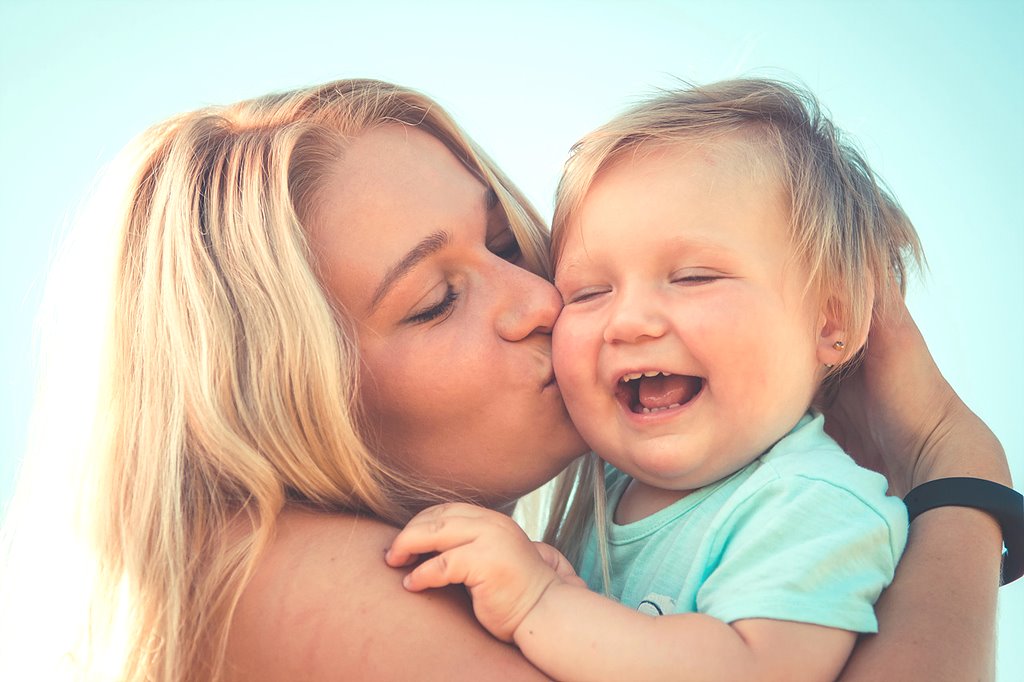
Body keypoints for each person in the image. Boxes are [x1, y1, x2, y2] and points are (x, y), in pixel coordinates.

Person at [0, 78, 1011, 682]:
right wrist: (959, 479)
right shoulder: (278, 571)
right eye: (435, 300)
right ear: (278, 397)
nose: (538, 299)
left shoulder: (650, 514)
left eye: (501, 241)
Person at [386, 79, 930, 682]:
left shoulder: (813, 500)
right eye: (589, 293)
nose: (629, 321)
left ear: (832, 321)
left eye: (694, 277)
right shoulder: (602, 485)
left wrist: (540, 602)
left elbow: (753, 670)